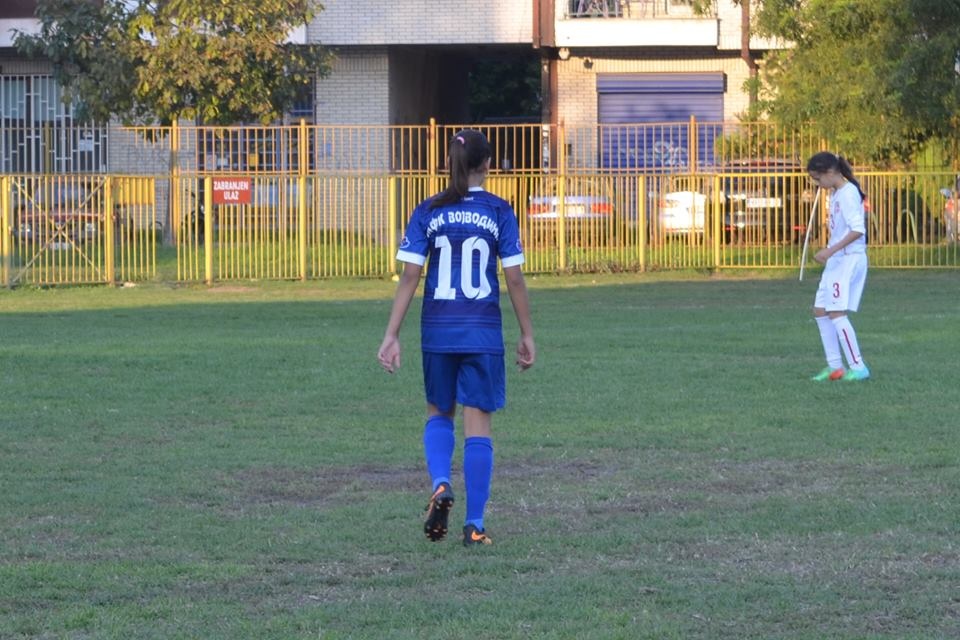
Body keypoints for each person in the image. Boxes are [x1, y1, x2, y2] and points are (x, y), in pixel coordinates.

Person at [377, 129, 536, 546]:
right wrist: (526, 333)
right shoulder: (499, 210)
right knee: (478, 424)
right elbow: (514, 279)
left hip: (438, 331)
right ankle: (475, 526)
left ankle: (441, 483)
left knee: (439, 413)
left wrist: (392, 334)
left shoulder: (428, 210)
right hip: (482, 332)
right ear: (487, 165)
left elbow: (410, 275)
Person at [806, 151, 870, 382]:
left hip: (848, 259)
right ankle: (835, 367)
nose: (818, 184)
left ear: (830, 172)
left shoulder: (848, 194)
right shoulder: (836, 193)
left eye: (818, 179)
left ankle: (858, 367)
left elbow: (857, 230)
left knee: (836, 312)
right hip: (836, 260)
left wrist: (830, 250)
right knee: (820, 310)